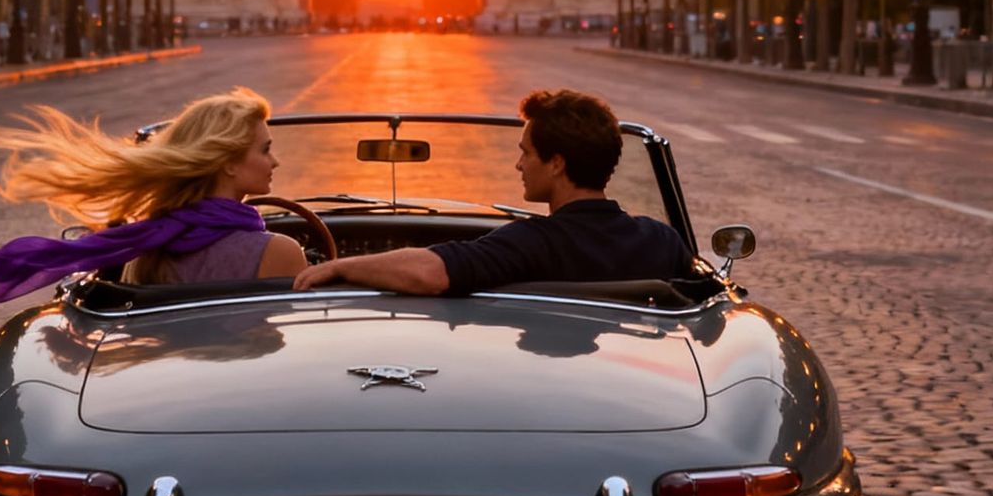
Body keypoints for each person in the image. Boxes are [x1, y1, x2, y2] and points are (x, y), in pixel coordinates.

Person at [0, 87, 305, 308]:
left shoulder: (145, 250)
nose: (276, 162)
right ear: (227, 162)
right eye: (265, 149)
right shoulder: (280, 254)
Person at [293, 88, 693, 296]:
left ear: (556, 163)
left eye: (526, 153)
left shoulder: (530, 245)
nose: (519, 165)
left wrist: (340, 266)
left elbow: (431, 273)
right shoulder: (663, 242)